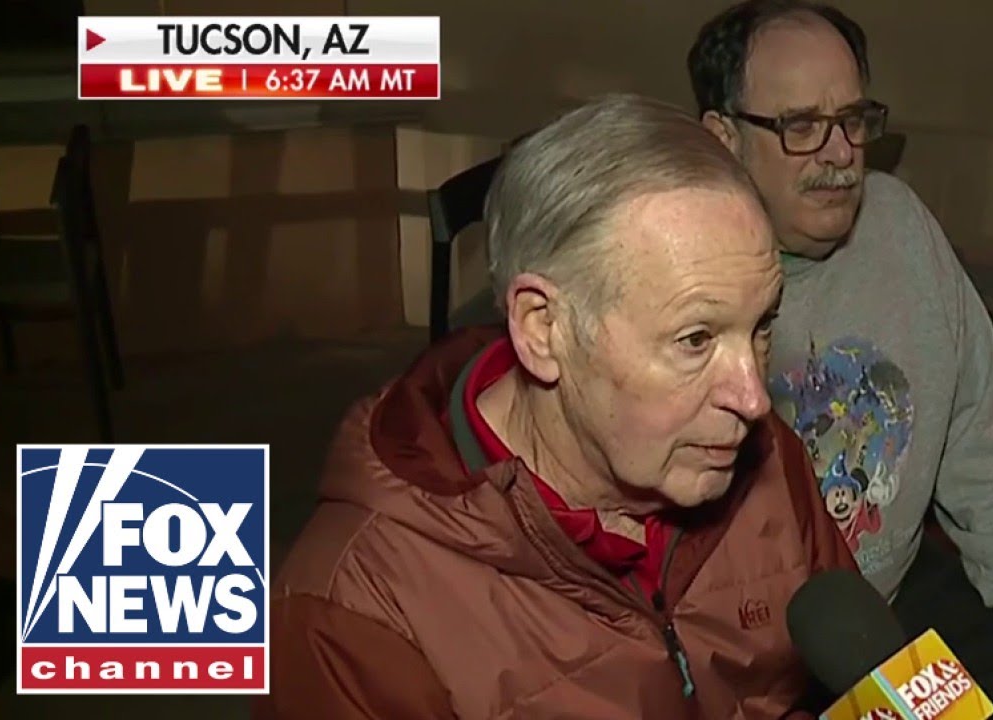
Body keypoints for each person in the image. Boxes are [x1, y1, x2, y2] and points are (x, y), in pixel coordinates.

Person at [254, 93, 872, 720]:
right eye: (695, 340)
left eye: (761, 327)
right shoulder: (352, 611)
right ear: (543, 329)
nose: (753, 397)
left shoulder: (761, 455)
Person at [687, 1, 993, 716]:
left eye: (852, 120)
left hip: (894, 600)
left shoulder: (900, 225)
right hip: (744, 659)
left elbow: (978, 434)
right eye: (801, 126)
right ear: (723, 139)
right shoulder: (676, 285)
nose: (841, 154)